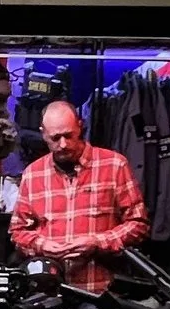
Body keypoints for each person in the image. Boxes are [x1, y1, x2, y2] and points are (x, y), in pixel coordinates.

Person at [8, 100, 150, 294]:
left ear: (80, 126)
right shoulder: (33, 174)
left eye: (68, 135)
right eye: (55, 138)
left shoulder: (114, 166)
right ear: (43, 134)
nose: (63, 144)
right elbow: (18, 231)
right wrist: (43, 245)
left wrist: (97, 242)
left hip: (103, 292)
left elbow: (138, 224)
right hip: (50, 293)